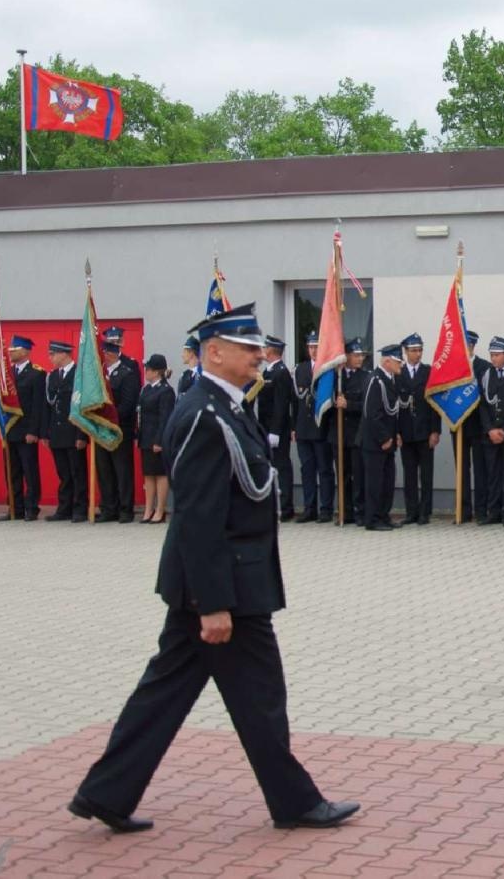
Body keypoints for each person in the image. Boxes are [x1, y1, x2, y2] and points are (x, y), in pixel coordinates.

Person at [70, 302, 360, 834]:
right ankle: (295, 803)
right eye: (249, 350)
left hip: (221, 582)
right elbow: (198, 518)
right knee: (260, 696)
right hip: (225, 588)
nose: (259, 357)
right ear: (215, 352)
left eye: (259, 349)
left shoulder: (226, 405)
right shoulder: (205, 413)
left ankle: (105, 792)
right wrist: (214, 604)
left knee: (167, 695)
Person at [94, 327, 140, 524]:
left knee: (122, 471)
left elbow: (129, 403)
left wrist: (110, 421)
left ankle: (125, 509)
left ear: (111, 353)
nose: (102, 356)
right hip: (101, 430)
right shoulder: (99, 375)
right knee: (104, 470)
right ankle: (108, 507)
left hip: (120, 430)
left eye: (104, 353)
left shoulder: (127, 372)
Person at [395, 333, 441, 525]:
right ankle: (411, 511)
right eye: (414, 350)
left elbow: (434, 403)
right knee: (410, 474)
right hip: (406, 432)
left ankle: (425, 512)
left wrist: (435, 430)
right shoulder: (399, 373)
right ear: (406, 352)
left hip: (424, 431)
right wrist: (396, 432)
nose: (418, 354)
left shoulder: (428, 372)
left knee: (426, 474)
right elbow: (394, 406)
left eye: (420, 350)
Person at [1, 335, 47, 521]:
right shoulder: (7, 374)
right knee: (12, 471)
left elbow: (38, 406)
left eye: (15, 350)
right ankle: (14, 506)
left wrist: (34, 431)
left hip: (27, 430)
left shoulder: (37, 374)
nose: (11, 353)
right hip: (10, 429)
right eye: (10, 350)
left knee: (30, 470)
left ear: (26, 351)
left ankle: (31, 507)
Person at [360, 344, 404, 531]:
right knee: (375, 483)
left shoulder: (389, 379)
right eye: (397, 361)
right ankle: (372, 519)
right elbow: (371, 413)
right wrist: (384, 437)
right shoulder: (375, 380)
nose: (400, 365)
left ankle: (383, 515)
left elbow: (391, 412)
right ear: (387, 361)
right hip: (375, 443)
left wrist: (395, 434)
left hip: (388, 441)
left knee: (387, 481)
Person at [44, 339, 89, 522]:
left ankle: (80, 509)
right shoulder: (53, 376)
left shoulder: (80, 375)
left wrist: (82, 435)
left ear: (64, 354)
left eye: (53, 354)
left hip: (73, 431)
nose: (50, 357)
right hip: (57, 432)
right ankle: (64, 508)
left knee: (77, 472)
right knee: (63, 473)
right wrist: (46, 433)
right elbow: (47, 407)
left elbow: (83, 407)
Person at [293, 332, 335, 523]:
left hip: (322, 428)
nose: (313, 350)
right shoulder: (299, 369)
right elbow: (295, 401)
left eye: (317, 347)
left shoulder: (328, 369)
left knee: (325, 470)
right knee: (307, 470)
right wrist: (294, 427)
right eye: (311, 347)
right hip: (303, 429)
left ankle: (326, 509)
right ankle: (309, 508)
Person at [254, 337, 297, 523]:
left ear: (271, 350)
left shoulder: (281, 373)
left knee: (281, 466)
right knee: (271, 467)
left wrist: (275, 431)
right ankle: (274, 504)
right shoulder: (268, 371)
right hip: (266, 428)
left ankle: (286, 507)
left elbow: (281, 404)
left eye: (265, 347)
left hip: (276, 431)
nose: (262, 350)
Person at [479, 337, 504, 526]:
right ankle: (493, 511)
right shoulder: (487, 375)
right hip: (491, 435)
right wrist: (490, 429)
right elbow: (483, 406)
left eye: (496, 355)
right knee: (492, 474)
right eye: (491, 355)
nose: (493, 359)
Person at [138, 355, 176, 524]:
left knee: (160, 474)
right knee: (148, 474)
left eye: (149, 369)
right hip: (145, 436)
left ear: (157, 371)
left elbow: (165, 417)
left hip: (157, 438)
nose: (146, 371)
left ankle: (160, 510)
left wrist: (159, 440)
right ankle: (148, 509)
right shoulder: (146, 389)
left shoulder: (166, 391)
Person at [337, 339, 369, 524]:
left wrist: (348, 404)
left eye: (361, 355)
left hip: (356, 434)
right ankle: (345, 512)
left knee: (358, 475)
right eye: (356, 355)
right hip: (338, 434)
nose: (360, 358)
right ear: (346, 356)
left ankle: (359, 511)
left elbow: (366, 405)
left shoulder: (365, 377)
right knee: (342, 475)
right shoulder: (336, 377)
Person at [460, 331, 489, 523]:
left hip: (479, 425)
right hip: (459, 424)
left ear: (473, 346)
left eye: (468, 345)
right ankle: (462, 510)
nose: (465, 348)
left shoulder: (484, 367)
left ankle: (481, 510)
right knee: (461, 469)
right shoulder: (453, 367)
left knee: (480, 469)